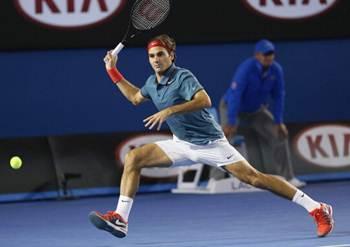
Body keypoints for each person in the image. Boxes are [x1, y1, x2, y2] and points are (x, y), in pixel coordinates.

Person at [89, 34, 334, 239]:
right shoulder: (152, 83)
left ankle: (317, 208)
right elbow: (134, 98)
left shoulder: (183, 76)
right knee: (134, 158)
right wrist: (112, 70)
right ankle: (121, 219)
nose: (156, 60)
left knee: (255, 179)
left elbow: (204, 100)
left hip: (211, 144)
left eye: (161, 54)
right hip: (182, 144)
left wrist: (170, 110)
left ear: (171, 55)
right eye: (152, 56)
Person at [218, 39, 305, 188]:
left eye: (271, 54)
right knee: (224, 138)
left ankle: (288, 178)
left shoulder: (276, 70)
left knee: (280, 135)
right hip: (232, 107)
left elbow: (279, 96)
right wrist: (231, 122)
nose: (268, 57)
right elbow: (235, 94)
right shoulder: (246, 68)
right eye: (265, 54)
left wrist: (279, 122)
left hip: (256, 110)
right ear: (257, 55)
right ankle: (217, 179)